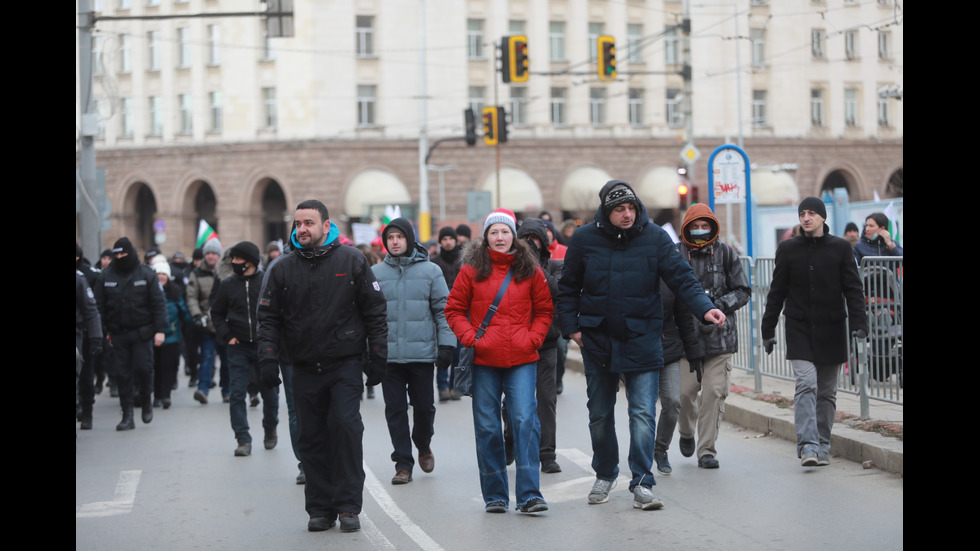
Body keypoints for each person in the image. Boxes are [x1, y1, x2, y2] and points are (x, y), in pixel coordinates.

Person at [556, 180, 725, 511]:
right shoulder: (585, 239)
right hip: (598, 339)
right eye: (619, 209)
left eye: (631, 207)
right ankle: (604, 474)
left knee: (643, 414)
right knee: (600, 414)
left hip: (644, 338)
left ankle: (642, 482)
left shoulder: (656, 238)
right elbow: (568, 287)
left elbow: (682, 278)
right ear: (606, 211)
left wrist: (705, 307)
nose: (627, 214)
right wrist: (572, 329)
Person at [257, 199, 387, 533]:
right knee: (311, 437)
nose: (302, 229)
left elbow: (374, 310)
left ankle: (347, 507)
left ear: (326, 226)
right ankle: (320, 508)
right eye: (298, 223)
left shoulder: (352, 260)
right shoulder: (282, 267)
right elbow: (268, 317)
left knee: (345, 428)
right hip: (302, 366)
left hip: (344, 363)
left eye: (309, 223)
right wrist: (268, 357)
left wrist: (378, 355)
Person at [445, 208, 553, 514]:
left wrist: (533, 339)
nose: (500, 237)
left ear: (513, 236)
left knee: (524, 421)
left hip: (522, 357)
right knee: (488, 427)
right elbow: (453, 309)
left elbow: (544, 310)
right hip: (484, 360)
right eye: (494, 232)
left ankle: (530, 493)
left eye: (505, 232)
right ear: (486, 237)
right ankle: (495, 495)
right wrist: (471, 338)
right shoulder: (471, 270)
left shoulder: (530, 269)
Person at [761, 197, 868, 467]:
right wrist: (767, 328)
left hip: (831, 327)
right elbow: (777, 291)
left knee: (827, 391)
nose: (806, 218)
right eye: (802, 213)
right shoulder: (788, 249)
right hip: (798, 326)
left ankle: (822, 444)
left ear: (822, 217)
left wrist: (859, 324)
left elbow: (853, 290)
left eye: (811, 213)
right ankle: (807, 444)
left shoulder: (841, 248)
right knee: (807, 383)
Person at [372, 218, 454, 485]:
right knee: (394, 410)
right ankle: (403, 463)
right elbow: (369, 316)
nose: (395, 242)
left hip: (421, 355)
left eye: (399, 237)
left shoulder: (430, 271)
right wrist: (369, 351)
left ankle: (423, 443)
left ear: (409, 239)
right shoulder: (375, 273)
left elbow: (444, 311)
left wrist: (446, 345)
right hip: (389, 357)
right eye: (390, 238)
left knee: (424, 408)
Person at [676, 203, 751, 470]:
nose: (699, 231)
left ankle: (706, 449)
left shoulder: (727, 254)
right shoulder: (675, 254)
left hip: (720, 339)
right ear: (686, 228)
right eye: (694, 227)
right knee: (684, 394)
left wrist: (719, 305)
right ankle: (686, 431)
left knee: (714, 393)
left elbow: (743, 289)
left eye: (704, 226)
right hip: (687, 340)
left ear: (712, 227)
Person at [212, 241, 280, 457]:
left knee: (270, 393)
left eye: (238, 259)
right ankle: (243, 439)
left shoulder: (266, 282)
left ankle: (270, 427)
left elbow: (278, 312)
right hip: (238, 347)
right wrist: (227, 336)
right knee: (237, 393)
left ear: (250, 261)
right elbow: (217, 313)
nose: (234, 263)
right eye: (233, 259)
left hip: (264, 347)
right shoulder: (228, 284)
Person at [93, 237, 168, 431]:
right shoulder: (106, 276)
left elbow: (158, 304)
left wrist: (160, 330)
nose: (119, 257)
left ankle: (146, 401)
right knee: (123, 374)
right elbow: (98, 307)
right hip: (118, 334)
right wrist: (101, 332)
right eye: (116, 254)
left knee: (144, 368)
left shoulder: (146, 274)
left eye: (122, 254)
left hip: (142, 332)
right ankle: (127, 414)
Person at [511, 217, 564, 474]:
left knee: (546, 400)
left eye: (535, 241)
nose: (530, 246)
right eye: (525, 241)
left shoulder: (554, 266)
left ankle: (547, 453)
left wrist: (532, 263)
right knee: (514, 400)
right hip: (515, 343)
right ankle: (510, 437)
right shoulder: (509, 268)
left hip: (546, 343)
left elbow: (556, 290)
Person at [653, 282, 703, 476]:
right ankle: (639, 454)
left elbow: (685, 319)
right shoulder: (633, 265)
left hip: (669, 349)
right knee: (642, 408)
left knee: (674, 401)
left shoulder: (670, 274)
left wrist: (694, 354)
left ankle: (660, 448)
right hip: (638, 350)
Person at [187, 238, 226, 404]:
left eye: (214, 253)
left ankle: (228, 391)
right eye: (208, 253)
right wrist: (197, 315)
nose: (211, 257)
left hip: (225, 325)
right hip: (205, 323)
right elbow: (191, 297)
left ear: (219, 255)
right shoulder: (196, 273)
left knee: (227, 360)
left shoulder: (226, 273)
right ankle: (202, 390)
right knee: (206, 357)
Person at [151, 258, 191, 410]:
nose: (161, 276)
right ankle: (157, 396)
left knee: (168, 366)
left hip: (172, 336)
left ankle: (166, 395)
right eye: (158, 274)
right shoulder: (150, 292)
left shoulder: (175, 292)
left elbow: (183, 310)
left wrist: (191, 322)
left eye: (163, 274)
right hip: (154, 336)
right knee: (156, 366)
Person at [430, 226, 463, 401]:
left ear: (455, 241)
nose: (448, 242)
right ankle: (442, 387)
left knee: (458, 351)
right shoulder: (434, 262)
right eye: (445, 239)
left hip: (461, 313)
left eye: (451, 238)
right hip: (441, 314)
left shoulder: (463, 261)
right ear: (440, 242)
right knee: (443, 350)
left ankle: (455, 385)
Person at [76, 268, 102, 431]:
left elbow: (91, 311)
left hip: (79, 335)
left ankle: (86, 411)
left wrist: (96, 337)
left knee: (85, 377)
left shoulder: (78, 279)